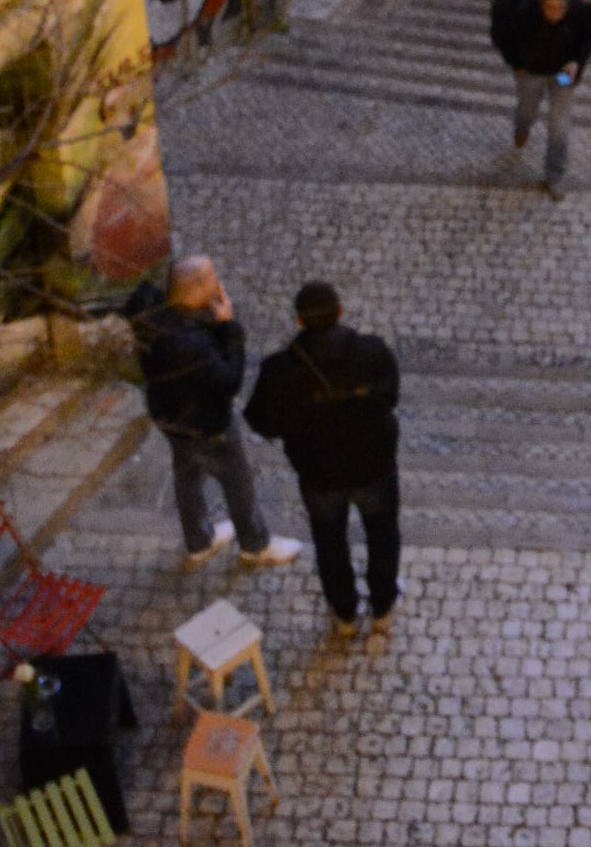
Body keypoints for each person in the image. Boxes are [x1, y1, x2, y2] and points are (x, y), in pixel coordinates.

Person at [245, 282, 401, 640]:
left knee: (330, 540)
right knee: (383, 534)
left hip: (318, 473)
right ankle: (383, 606)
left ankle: (344, 612)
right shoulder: (373, 352)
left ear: (299, 320)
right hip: (373, 466)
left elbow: (261, 421)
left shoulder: (278, 370)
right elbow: (390, 398)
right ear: (340, 312)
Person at [124, 254, 300, 570]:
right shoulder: (191, 345)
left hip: (169, 418)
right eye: (212, 276)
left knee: (187, 476)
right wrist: (228, 327)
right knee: (237, 480)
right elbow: (229, 381)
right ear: (199, 287)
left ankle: (198, 542)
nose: (218, 281)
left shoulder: (153, 316)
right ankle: (255, 545)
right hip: (205, 425)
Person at [488, 0, 591, 200]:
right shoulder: (524, 11)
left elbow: (590, 35)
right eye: (549, 8)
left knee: (559, 125)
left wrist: (576, 62)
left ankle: (554, 176)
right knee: (527, 110)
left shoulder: (578, 10)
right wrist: (515, 63)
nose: (554, 14)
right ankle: (522, 128)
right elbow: (502, 34)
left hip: (561, 76)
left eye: (559, 9)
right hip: (532, 73)